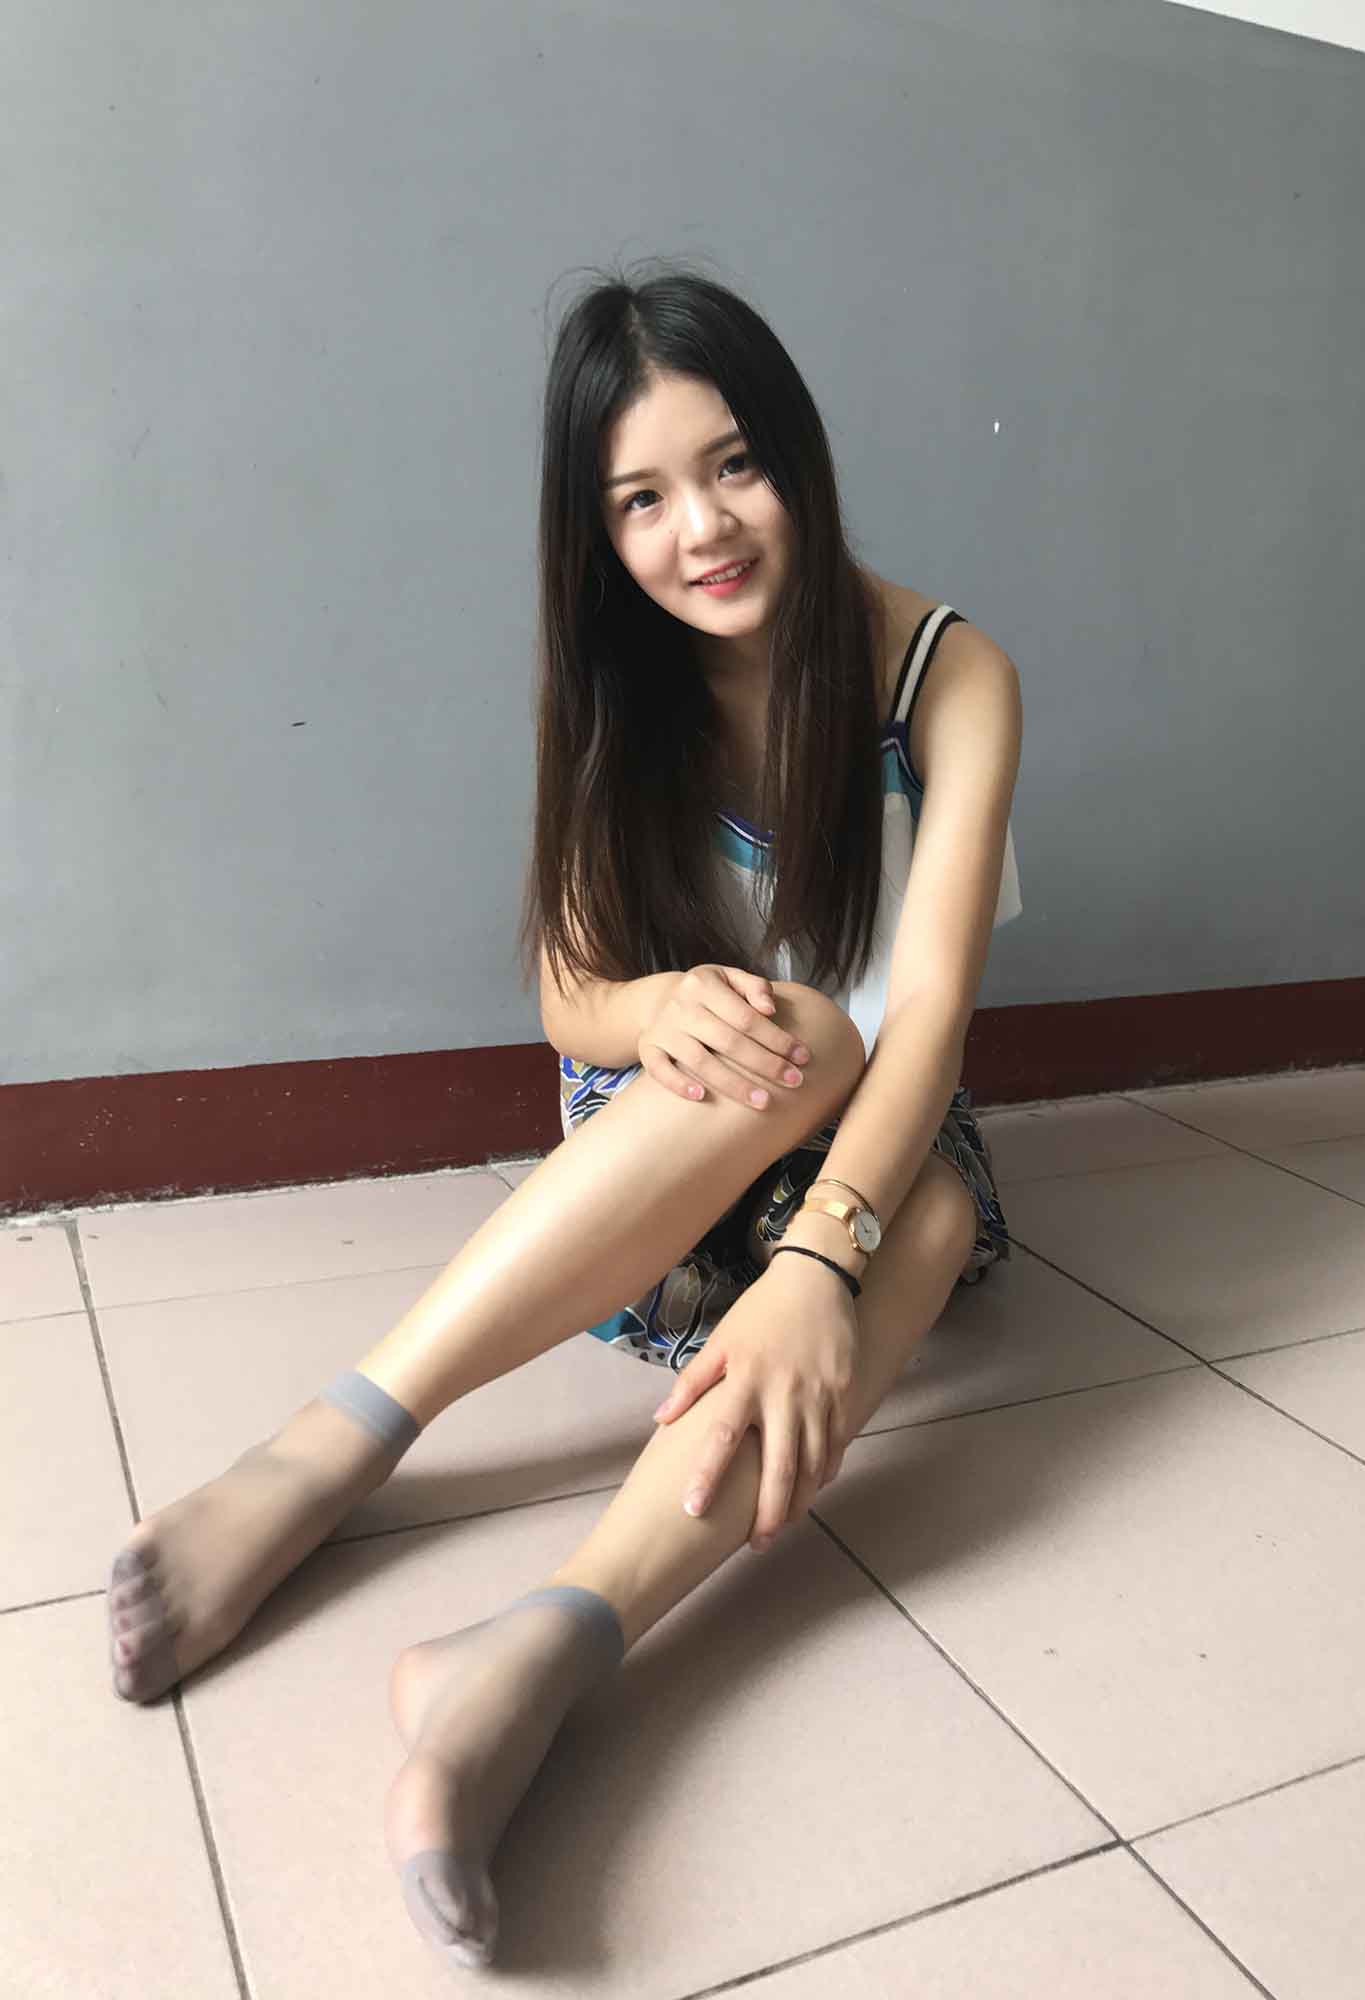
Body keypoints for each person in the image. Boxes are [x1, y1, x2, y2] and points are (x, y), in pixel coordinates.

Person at [104, 260, 1023, 1970]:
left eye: (735, 464)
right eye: (642, 500)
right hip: (660, 1171)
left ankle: (546, 1645)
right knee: (794, 1034)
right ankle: (323, 1454)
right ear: (599, 534)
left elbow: (936, 1020)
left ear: (801, 456)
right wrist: (654, 1007)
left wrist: (821, 1265)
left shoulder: (944, 676)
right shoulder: (618, 680)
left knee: (932, 1180)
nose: (703, 528)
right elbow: (567, 991)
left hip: (863, 1179)